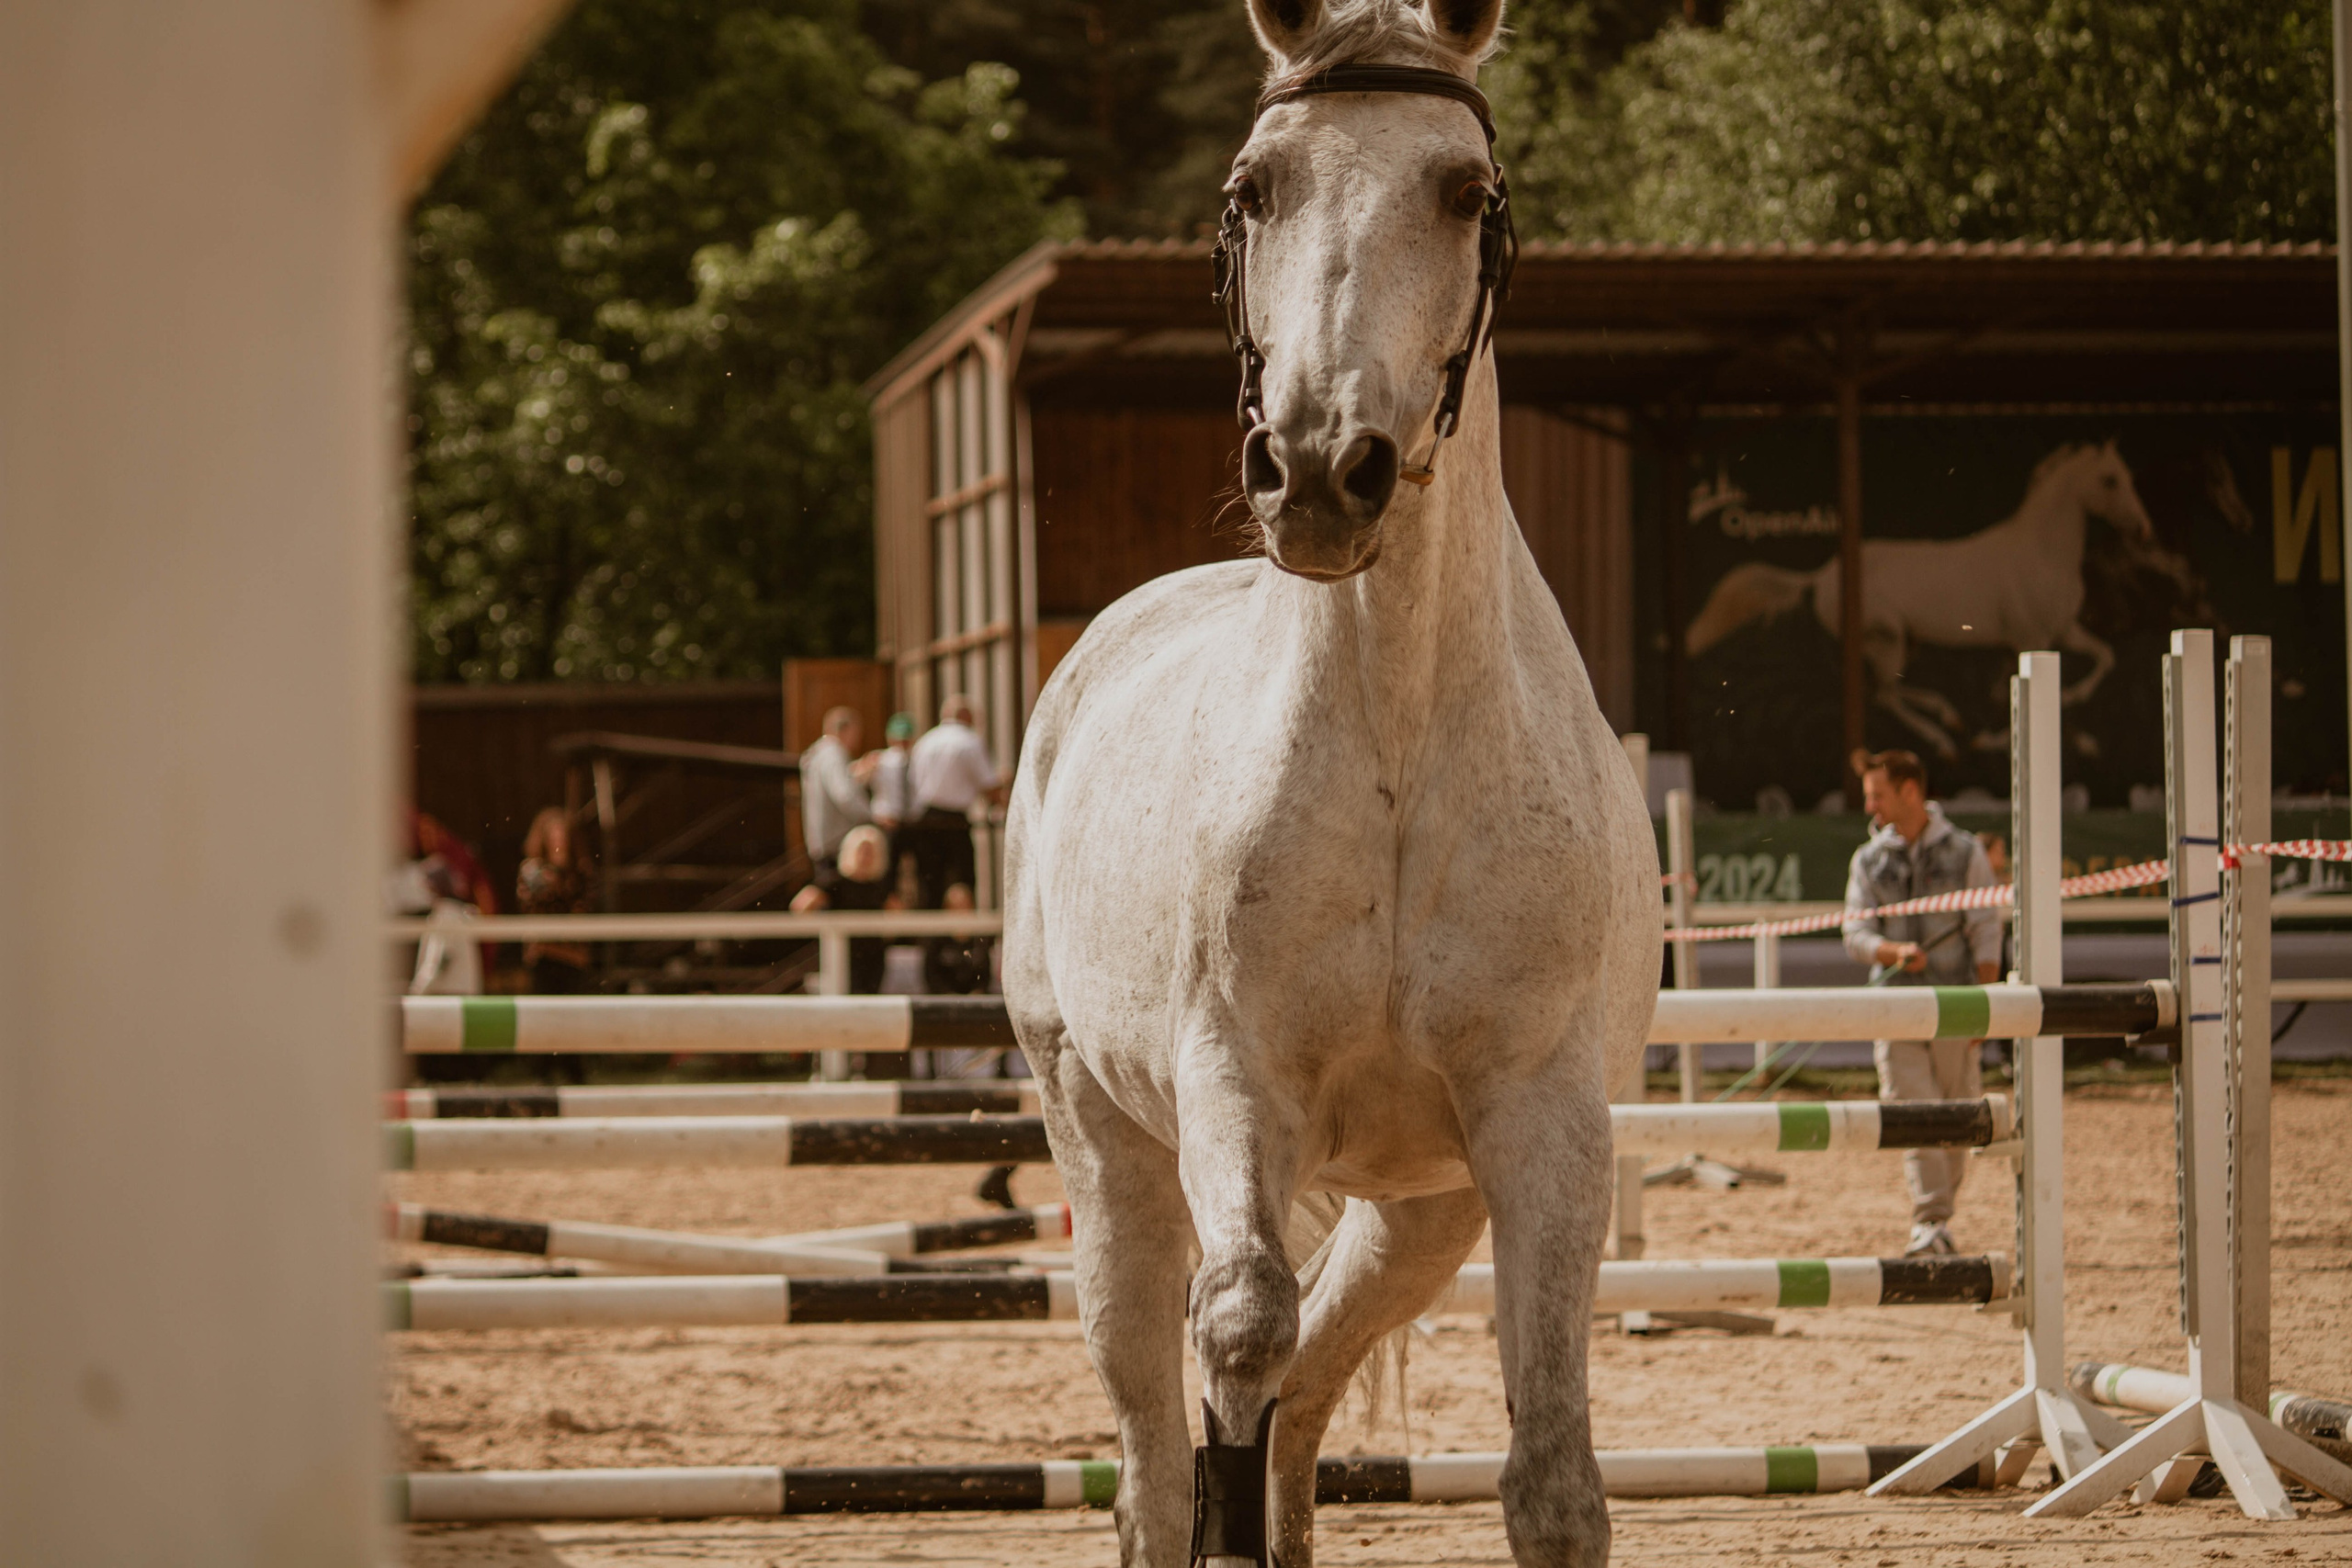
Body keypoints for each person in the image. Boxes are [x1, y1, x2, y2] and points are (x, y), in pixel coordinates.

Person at [1841, 749, 2003, 1258]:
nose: (1871, 807)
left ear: (1909, 791)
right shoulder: (1867, 860)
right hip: (1893, 1007)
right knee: (1914, 1110)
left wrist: (1986, 1003)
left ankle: (1939, 1216)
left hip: (1957, 1004)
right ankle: (1931, 1219)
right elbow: (1855, 931)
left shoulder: (1966, 851)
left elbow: (1987, 932)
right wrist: (1890, 952)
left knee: (1955, 1117)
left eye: (1877, 795)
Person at [904, 694, 1003, 910]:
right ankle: (963, 940)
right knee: (963, 882)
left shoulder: (926, 741)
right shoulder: (969, 741)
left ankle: (931, 941)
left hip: (926, 820)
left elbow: (913, 781)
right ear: (968, 716)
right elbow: (988, 784)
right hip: (954, 821)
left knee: (930, 882)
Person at [790, 823, 898, 994]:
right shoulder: (834, 882)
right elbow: (800, 906)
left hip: (873, 953)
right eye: (862, 850)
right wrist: (821, 929)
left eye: (870, 851)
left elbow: (898, 915)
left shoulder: (881, 886)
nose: (865, 856)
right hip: (841, 953)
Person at [516, 806, 594, 995]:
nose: (559, 843)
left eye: (563, 838)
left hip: (574, 959)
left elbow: (583, 912)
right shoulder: (531, 871)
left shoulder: (581, 874)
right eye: (554, 838)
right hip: (544, 959)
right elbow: (533, 909)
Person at [799, 705, 872, 881]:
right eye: (856, 732)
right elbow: (844, 795)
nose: (858, 739)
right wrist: (871, 816)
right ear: (846, 730)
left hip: (822, 840)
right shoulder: (834, 754)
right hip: (837, 843)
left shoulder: (818, 753)